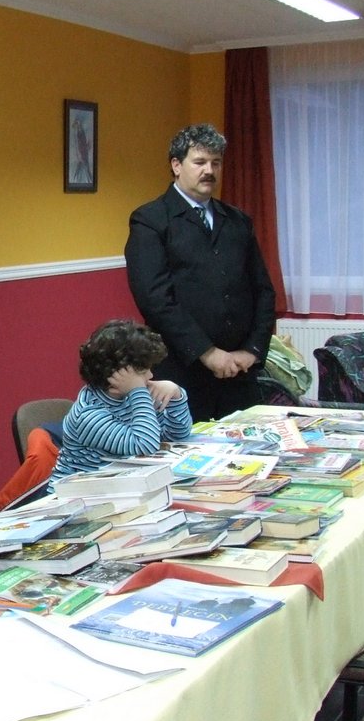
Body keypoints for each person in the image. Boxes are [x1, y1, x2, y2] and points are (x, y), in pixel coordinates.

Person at [124, 123, 277, 421]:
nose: (209, 170)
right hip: (181, 371)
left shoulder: (237, 221)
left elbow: (263, 291)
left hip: (239, 372)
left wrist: (253, 350)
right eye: (200, 162)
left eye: (216, 163)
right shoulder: (151, 220)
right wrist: (207, 352)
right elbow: (155, 300)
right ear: (176, 165)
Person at [51, 320, 193, 486]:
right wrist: (138, 391)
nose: (150, 376)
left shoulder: (132, 395)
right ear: (117, 373)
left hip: (121, 483)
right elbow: (145, 446)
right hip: (81, 491)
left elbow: (176, 436)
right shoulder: (88, 415)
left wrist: (176, 395)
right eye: (143, 371)